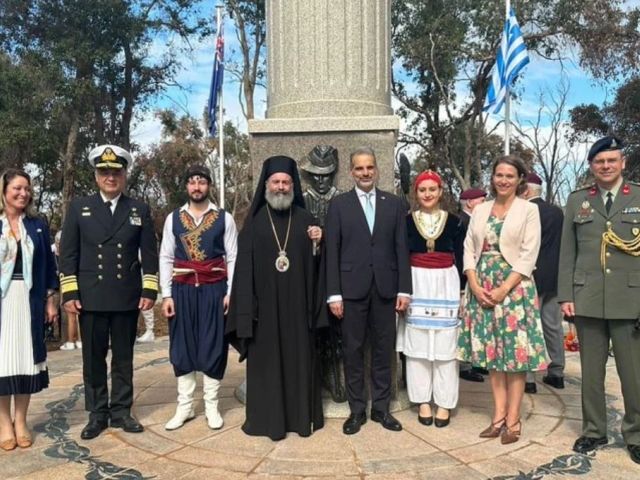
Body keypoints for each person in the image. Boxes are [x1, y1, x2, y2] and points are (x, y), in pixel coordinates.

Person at [60, 145, 159, 440]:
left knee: (124, 358)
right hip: (91, 296)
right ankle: (97, 413)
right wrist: (70, 293)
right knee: (93, 358)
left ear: (124, 174)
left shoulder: (138, 209)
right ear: (96, 175)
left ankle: (121, 411)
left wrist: (149, 288)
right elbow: (69, 254)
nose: (110, 177)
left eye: (116, 172)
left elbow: (149, 253)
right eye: (104, 172)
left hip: (126, 295)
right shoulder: (80, 208)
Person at [227, 155, 324, 441]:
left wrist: (319, 243)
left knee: (298, 363)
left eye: (286, 182)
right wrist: (247, 312)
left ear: (293, 186)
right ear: (266, 184)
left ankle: (300, 418)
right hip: (265, 314)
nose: (281, 187)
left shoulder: (307, 221)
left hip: (297, 312)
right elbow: (242, 273)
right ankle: (267, 420)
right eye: (276, 182)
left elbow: (316, 268)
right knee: (267, 366)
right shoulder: (255, 223)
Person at [558, 136, 640, 464]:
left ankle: (635, 434)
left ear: (623, 163)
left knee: (633, 373)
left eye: (611, 161)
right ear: (591, 166)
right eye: (599, 162)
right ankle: (593, 430)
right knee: (591, 372)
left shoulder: (637, 196)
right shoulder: (578, 200)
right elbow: (568, 251)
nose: (605, 166)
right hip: (587, 297)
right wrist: (566, 294)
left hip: (630, 298)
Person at [458, 155, 547, 445]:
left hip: (514, 287)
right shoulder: (481, 210)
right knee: (493, 355)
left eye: (510, 175)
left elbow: (529, 254)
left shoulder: (528, 210)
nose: (503, 180)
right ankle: (497, 417)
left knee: (515, 356)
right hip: (481, 285)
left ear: (520, 178)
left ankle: (513, 419)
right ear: (492, 177)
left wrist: (503, 289)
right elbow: (469, 248)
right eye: (499, 175)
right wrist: (473, 281)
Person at [325, 146, 412, 435]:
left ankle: (382, 409)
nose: (365, 173)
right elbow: (332, 251)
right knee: (353, 351)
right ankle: (357, 410)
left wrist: (404, 289)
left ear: (376, 169)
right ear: (351, 171)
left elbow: (401, 248)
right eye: (360, 168)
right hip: (351, 292)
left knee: (383, 350)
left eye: (370, 167)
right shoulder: (339, 205)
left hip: (386, 291)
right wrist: (334, 293)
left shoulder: (393, 204)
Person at [160, 165, 238, 431]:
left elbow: (233, 256)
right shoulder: (173, 218)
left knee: (213, 345)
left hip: (214, 288)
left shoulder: (224, 218)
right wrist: (166, 294)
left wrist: (231, 292)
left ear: (209, 185)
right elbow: (166, 257)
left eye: (201, 182)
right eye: (192, 182)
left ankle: (211, 406)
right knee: (182, 347)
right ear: (186, 187)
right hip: (181, 290)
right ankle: (185, 407)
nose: (196, 187)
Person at [397, 170, 465, 428]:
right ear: (416, 193)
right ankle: (423, 401)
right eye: (422, 190)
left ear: (440, 192)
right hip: (416, 283)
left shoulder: (455, 221)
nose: (427, 194)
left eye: (432, 190)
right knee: (417, 347)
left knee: (446, 348)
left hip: (445, 282)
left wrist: (461, 291)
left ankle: (445, 402)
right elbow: (401, 255)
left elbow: (460, 256)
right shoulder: (405, 222)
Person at [0, 169, 58, 451]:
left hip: (29, 299)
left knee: (24, 360)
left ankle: (21, 420)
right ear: (4, 190)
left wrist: (50, 300)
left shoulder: (36, 225)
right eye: (17, 188)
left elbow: (49, 266)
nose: (23, 193)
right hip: (3, 300)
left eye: (27, 189)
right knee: (2, 361)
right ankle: (3, 424)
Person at [521, 172, 565, 394]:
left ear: (526, 191)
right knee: (552, 325)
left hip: (531, 275)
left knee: (529, 326)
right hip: (555, 277)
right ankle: (556, 372)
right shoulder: (557, 212)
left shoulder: (525, 211)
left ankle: (528, 377)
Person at [458, 187, 489, 383]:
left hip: (475, 278)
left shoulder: (476, 220)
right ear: (470, 203)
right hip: (466, 278)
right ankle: (466, 365)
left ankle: (476, 361)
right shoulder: (463, 222)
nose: (486, 204)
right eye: (482, 200)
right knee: (465, 322)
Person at [54, 231, 82, 351]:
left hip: (68, 284)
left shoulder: (66, 255)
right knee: (76, 314)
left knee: (71, 314)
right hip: (76, 283)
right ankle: (78, 340)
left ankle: (71, 341)